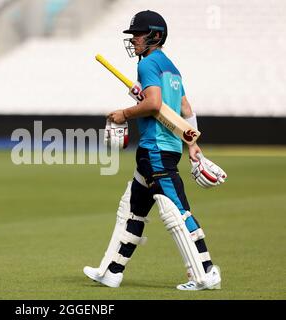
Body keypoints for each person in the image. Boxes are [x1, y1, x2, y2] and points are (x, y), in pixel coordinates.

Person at [83, 10, 222, 291]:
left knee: (176, 211)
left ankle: (206, 273)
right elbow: (186, 110)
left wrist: (124, 113)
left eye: (137, 34)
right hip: (165, 148)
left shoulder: (147, 65)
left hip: (155, 150)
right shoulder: (171, 67)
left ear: (155, 36)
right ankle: (112, 271)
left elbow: (155, 104)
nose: (133, 39)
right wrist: (192, 145)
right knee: (131, 211)